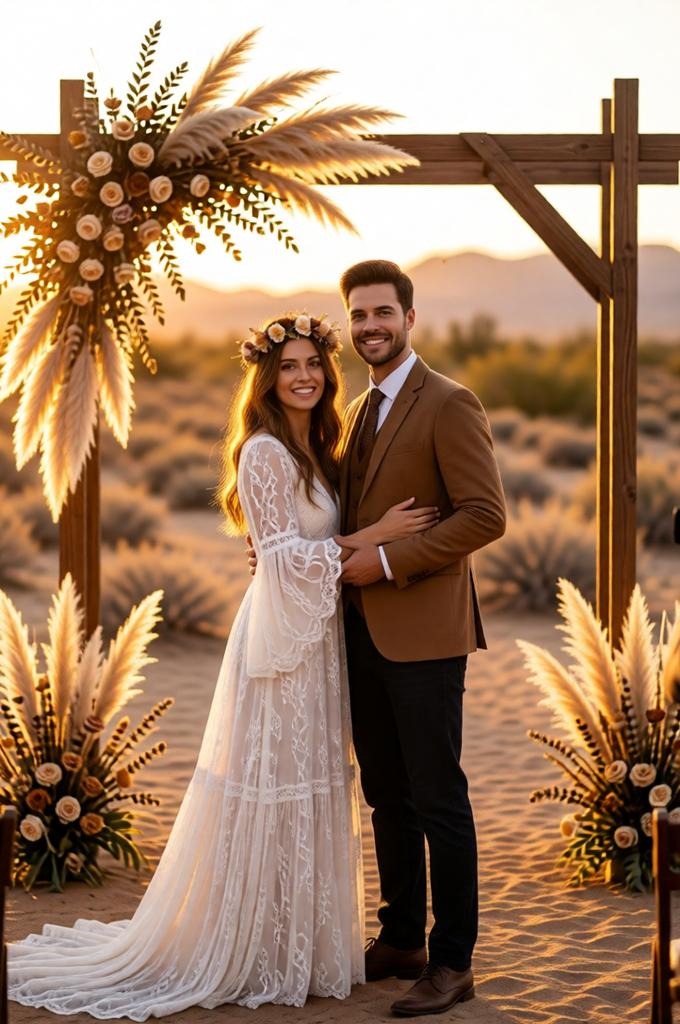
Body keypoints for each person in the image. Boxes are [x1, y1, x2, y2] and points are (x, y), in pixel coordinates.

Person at [7, 313, 439, 1020]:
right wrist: (375, 536)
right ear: (266, 379)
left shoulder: (322, 447)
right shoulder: (264, 452)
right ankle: (252, 946)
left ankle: (295, 941)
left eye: (312, 364)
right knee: (270, 780)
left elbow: (295, 547)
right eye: (289, 366)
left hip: (319, 641)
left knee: (311, 783)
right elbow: (277, 558)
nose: (304, 375)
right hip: (277, 649)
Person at [336, 260, 506, 1017]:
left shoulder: (448, 402)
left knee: (439, 799)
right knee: (387, 797)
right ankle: (401, 936)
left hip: (426, 636)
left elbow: (484, 515)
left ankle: (452, 961)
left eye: (382, 312)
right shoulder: (356, 409)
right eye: (359, 315)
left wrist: (384, 561)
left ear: (410, 317)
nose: (370, 325)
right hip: (359, 633)